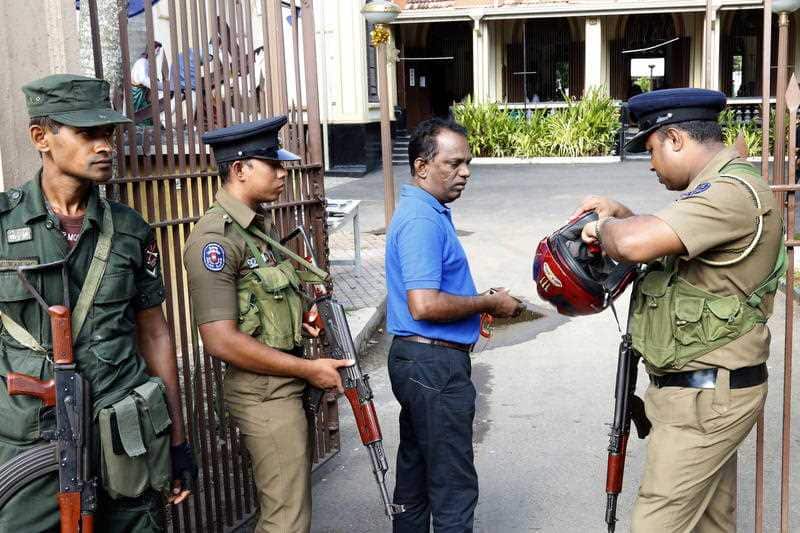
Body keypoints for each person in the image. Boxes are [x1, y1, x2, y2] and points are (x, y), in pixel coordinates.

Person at [574, 88, 784, 532]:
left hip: (706, 399)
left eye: (650, 150)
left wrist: (604, 226)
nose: (650, 164)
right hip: (705, 391)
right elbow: (674, 241)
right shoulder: (716, 188)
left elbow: (634, 243)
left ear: (675, 139)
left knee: (657, 522)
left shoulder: (730, 192)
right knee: (710, 523)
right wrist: (624, 214)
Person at [0, 74, 195, 531]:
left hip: (124, 436)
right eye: (87, 133)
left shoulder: (129, 230)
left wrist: (178, 440)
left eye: (108, 133)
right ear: (40, 137)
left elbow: (155, 333)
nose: (104, 145)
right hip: (29, 440)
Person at [183, 116, 352, 533]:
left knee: (289, 510)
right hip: (264, 392)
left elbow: (262, 303)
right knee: (286, 522)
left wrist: (301, 319)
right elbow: (221, 341)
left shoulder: (256, 227)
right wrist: (309, 369)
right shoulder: (216, 242)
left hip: (282, 384)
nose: (283, 172)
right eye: (272, 164)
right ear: (239, 170)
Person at [385, 117, 523, 532]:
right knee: (452, 487)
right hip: (434, 365)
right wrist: (489, 303)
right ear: (422, 166)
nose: (464, 173)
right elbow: (424, 304)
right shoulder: (422, 220)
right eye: (453, 163)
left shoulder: (425, 211)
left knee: (416, 477)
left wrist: (482, 301)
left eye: (467, 163)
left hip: (420, 361)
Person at [130, 40, 164, 126]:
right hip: (138, 95)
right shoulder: (143, 62)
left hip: (143, 94)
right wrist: (158, 87)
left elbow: (152, 80)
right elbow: (143, 79)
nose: (157, 54)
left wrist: (164, 86)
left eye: (158, 52)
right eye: (157, 51)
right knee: (143, 115)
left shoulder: (147, 63)